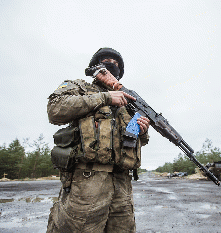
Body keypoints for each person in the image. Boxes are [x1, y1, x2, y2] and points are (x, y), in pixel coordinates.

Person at [46, 48, 150, 233]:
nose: (112, 64)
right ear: (96, 67)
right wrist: (106, 97)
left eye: (117, 64)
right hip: (87, 182)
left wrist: (142, 131)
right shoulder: (80, 87)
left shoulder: (129, 103)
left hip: (122, 184)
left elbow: (135, 140)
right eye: (106, 61)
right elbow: (55, 109)